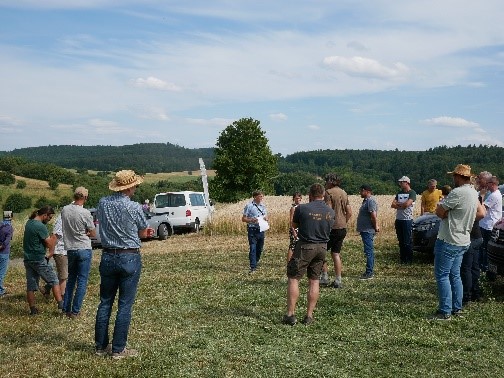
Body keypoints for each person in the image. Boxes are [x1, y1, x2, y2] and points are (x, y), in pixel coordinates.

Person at [95, 170, 153, 359]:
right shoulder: (134, 207)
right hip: (129, 256)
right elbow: (143, 232)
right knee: (124, 305)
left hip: (107, 256)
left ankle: (100, 347)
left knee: (105, 303)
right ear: (130, 187)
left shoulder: (103, 203)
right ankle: (118, 349)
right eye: (135, 185)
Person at [431, 164, 484, 320]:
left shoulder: (457, 192)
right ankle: (457, 308)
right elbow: (480, 213)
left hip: (449, 239)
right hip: (464, 239)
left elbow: (440, 212)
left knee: (442, 275)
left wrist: (444, 210)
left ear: (460, 177)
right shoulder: (473, 193)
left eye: (455, 176)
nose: (453, 179)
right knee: (455, 275)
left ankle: (444, 311)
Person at [283, 183, 335, 326]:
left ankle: (290, 314)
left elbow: (294, 226)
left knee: (294, 278)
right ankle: (309, 316)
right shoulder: (330, 211)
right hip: (322, 247)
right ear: (323, 195)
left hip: (305, 246)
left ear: (310, 195)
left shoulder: (302, 208)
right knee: (314, 280)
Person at [61, 187, 96, 319]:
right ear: (85, 198)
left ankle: (66, 308)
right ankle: (75, 311)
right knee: (82, 280)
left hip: (70, 248)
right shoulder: (85, 213)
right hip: (83, 247)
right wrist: (85, 232)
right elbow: (92, 233)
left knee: (71, 279)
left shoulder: (64, 210)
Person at [23, 206, 64, 315]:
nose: (49, 219)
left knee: (31, 286)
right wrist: (54, 238)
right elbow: (49, 243)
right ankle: (61, 305)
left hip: (28, 259)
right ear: (44, 215)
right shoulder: (40, 226)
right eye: (49, 217)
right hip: (39, 259)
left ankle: (33, 310)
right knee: (54, 281)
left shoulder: (29, 223)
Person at [319, 173, 352, 288]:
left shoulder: (328, 193)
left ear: (330, 182)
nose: (325, 183)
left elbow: (328, 211)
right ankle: (338, 280)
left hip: (331, 228)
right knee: (336, 254)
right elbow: (350, 212)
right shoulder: (344, 193)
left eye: (326, 181)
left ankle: (324, 277)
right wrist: (343, 222)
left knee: (321, 251)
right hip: (342, 228)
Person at [479, 175, 502, 272]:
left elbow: (482, 208)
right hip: (489, 223)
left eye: (488, 183)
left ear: (492, 184)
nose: (486, 186)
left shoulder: (493, 195)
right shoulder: (497, 193)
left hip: (487, 225)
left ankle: (484, 267)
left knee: (484, 247)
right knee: (485, 247)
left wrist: (482, 195)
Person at [391, 176, 416, 264]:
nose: (400, 184)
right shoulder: (399, 193)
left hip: (407, 220)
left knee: (407, 241)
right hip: (399, 219)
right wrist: (402, 205)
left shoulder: (412, 193)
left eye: (401, 182)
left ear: (407, 183)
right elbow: (392, 205)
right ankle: (402, 259)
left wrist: (399, 204)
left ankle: (408, 260)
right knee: (401, 240)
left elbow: (407, 204)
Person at [242, 190, 269, 273]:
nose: (262, 198)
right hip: (252, 229)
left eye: (262, 196)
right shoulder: (249, 206)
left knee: (259, 248)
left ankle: (255, 262)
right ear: (255, 197)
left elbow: (266, 216)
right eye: (260, 196)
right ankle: (253, 267)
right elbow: (243, 219)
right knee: (253, 248)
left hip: (261, 229)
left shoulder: (263, 206)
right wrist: (252, 220)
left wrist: (266, 218)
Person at [356, 185, 379, 280]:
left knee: (369, 251)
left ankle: (369, 272)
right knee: (367, 251)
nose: (360, 193)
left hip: (368, 230)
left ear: (366, 191)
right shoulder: (366, 201)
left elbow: (373, 215)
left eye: (361, 191)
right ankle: (369, 271)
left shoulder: (370, 201)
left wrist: (376, 226)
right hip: (365, 230)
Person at [51, 213, 68, 298]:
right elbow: (55, 236)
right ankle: (62, 299)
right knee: (63, 276)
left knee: (63, 274)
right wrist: (51, 251)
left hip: (65, 250)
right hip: (60, 251)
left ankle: (47, 288)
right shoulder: (61, 219)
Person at [0, 211, 14, 297]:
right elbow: (6, 242)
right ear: (11, 217)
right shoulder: (9, 227)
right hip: (4, 252)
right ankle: (0, 291)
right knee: (1, 272)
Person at [287, 192, 302, 263]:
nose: (297, 200)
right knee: (292, 246)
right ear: (293, 199)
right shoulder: (293, 208)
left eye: (298, 198)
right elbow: (291, 221)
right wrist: (293, 231)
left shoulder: (301, 207)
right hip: (294, 229)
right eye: (296, 198)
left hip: (300, 229)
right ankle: (289, 262)